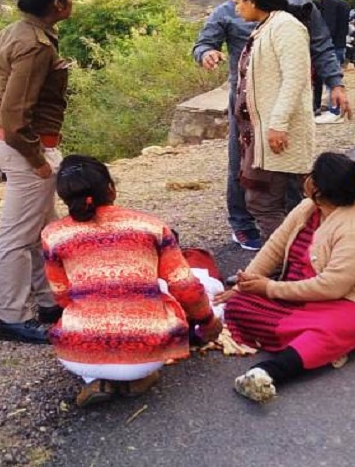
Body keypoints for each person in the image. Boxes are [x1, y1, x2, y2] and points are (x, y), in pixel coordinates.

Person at [217, 152, 355, 402]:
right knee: (237, 304)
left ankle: (268, 372)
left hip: (352, 300)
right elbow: (275, 248)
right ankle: (314, 338)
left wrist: (268, 288)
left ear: (317, 188)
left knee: (341, 326)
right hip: (299, 293)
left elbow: (332, 287)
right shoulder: (307, 208)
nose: (306, 179)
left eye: (311, 175)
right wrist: (244, 285)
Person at [193, 0, 351, 251]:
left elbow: (319, 48)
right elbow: (203, 43)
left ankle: (292, 235)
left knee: (288, 168)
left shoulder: (296, 9)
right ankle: (244, 225)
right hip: (245, 106)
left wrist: (336, 83)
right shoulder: (227, 10)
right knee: (242, 166)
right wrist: (207, 53)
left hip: (284, 106)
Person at [42, 155, 223, 407]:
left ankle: (95, 378)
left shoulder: (53, 235)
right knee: (177, 291)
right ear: (111, 189)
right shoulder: (151, 226)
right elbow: (185, 287)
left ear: (65, 199)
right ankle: (139, 376)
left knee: (82, 311)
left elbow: (61, 296)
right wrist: (207, 322)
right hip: (148, 349)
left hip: (77, 353)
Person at [0, 0, 76, 344]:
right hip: (23, 147)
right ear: (56, 4)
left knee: (41, 230)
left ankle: (47, 300)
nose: (72, 0)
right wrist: (38, 159)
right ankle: (13, 317)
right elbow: (15, 113)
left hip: (13, 143)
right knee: (17, 239)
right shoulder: (36, 45)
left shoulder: (16, 31)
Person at [230, 0, 315, 242]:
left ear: (253, 0)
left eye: (238, 2)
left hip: (276, 131)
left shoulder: (286, 27)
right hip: (263, 131)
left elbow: (295, 78)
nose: (236, 8)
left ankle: (282, 264)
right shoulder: (268, 25)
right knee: (273, 200)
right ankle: (292, 262)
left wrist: (278, 123)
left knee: (264, 201)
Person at [312, 0, 350, 124]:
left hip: (332, 45)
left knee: (330, 80)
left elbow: (328, 27)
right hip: (341, 43)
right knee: (334, 78)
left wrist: (322, 44)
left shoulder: (329, 2)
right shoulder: (341, 0)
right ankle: (331, 107)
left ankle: (334, 111)